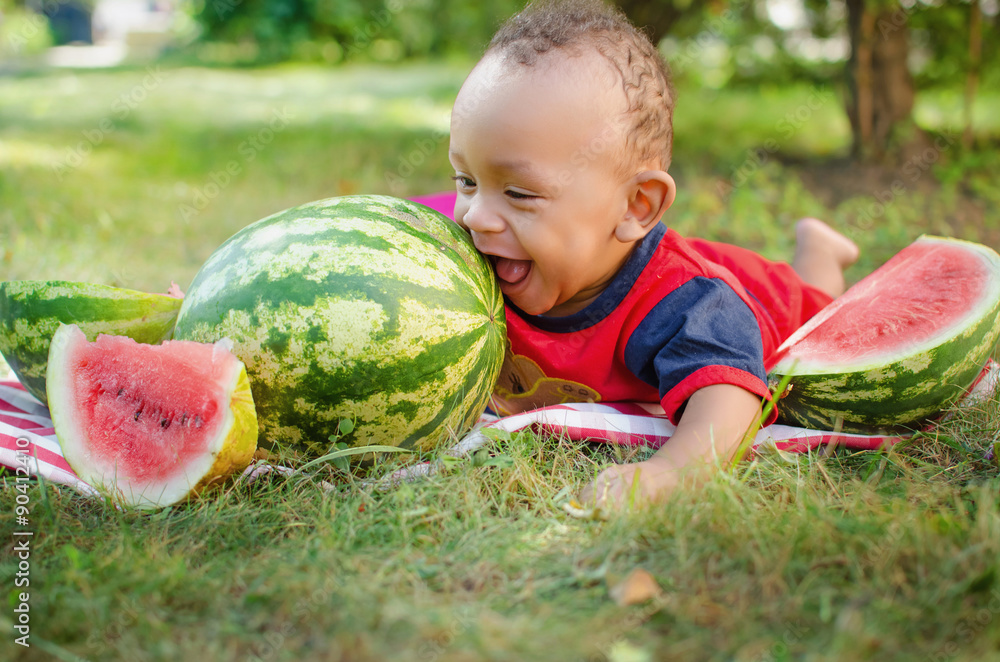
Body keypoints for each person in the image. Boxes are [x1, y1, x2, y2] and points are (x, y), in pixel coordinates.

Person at [445, 0, 859, 508]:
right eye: (467, 180)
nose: (475, 217)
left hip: (766, 297)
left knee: (817, 304)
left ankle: (820, 253)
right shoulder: (480, 257)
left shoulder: (687, 301)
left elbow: (729, 399)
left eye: (519, 193)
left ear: (636, 205)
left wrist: (672, 473)